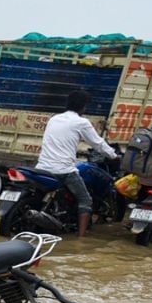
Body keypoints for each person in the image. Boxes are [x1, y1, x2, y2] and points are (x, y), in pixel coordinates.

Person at [34, 89, 118, 238]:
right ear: (84, 106)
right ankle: (81, 238)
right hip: (63, 171)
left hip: (42, 167)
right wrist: (113, 155)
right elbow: (97, 143)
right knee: (85, 200)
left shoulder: (54, 118)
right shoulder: (81, 122)